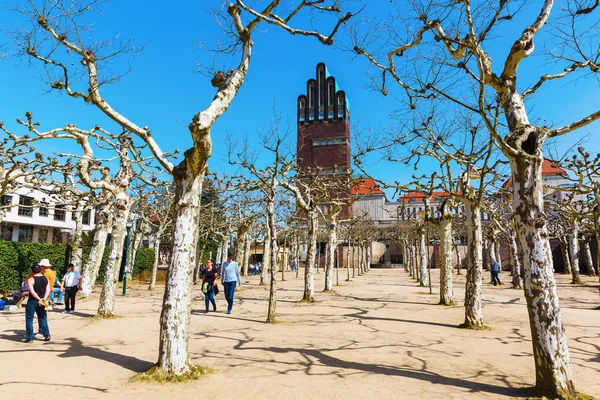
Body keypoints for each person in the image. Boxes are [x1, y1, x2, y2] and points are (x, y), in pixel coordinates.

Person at [25, 264, 51, 342]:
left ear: (32, 270)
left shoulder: (31, 279)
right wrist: (44, 299)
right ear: (40, 270)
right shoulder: (45, 278)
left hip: (33, 301)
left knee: (29, 319)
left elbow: (32, 292)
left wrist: (39, 299)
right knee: (42, 317)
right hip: (43, 300)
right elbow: (48, 289)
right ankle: (47, 335)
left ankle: (29, 337)